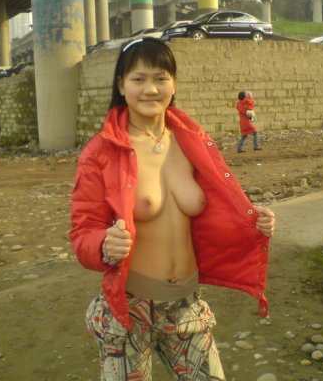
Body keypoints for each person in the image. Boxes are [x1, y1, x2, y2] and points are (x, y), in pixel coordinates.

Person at [70, 37, 275, 380]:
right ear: (121, 85)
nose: (150, 89)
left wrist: (254, 221)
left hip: (186, 304)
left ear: (174, 84)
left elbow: (217, 208)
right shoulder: (101, 152)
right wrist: (103, 244)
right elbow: (82, 233)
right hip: (129, 309)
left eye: (160, 78)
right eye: (138, 79)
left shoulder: (193, 141)